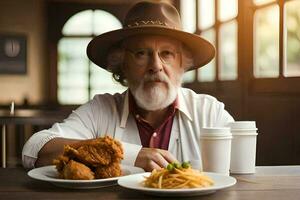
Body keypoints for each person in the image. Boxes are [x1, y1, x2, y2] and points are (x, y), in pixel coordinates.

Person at [22, 1, 234, 172]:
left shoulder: (209, 112)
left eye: (167, 54)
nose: (156, 66)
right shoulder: (100, 109)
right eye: (141, 53)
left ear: (182, 64)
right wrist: (128, 154)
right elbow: (35, 148)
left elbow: (242, 173)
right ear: (123, 65)